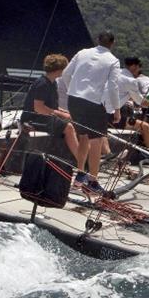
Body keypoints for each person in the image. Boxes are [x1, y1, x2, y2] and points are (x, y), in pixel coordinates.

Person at [62, 31, 121, 193]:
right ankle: (92, 182)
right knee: (97, 141)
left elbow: (66, 74)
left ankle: (80, 175)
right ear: (112, 43)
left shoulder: (82, 52)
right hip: (93, 103)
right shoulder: (113, 61)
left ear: (97, 40)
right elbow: (113, 87)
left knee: (83, 137)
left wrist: (72, 90)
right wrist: (117, 109)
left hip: (73, 99)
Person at [21, 54, 80, 162]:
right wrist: (61, 114)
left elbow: (53, 106)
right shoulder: (42, 84)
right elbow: (39, 108)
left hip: (43, 117)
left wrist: (66, 112)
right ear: (59, 70)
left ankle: (73, 158)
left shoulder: (53, 83)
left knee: (77, 123)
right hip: (33, 119)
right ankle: (81, 162)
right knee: (69, 128)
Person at [114, 58, 149, 158]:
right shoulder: (131, 80)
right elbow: (143, 102)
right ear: (135, 66)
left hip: (104, 110)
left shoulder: (115, 73)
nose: (137, 72)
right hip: (114, 116)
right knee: (145, 126)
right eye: (138, 69)